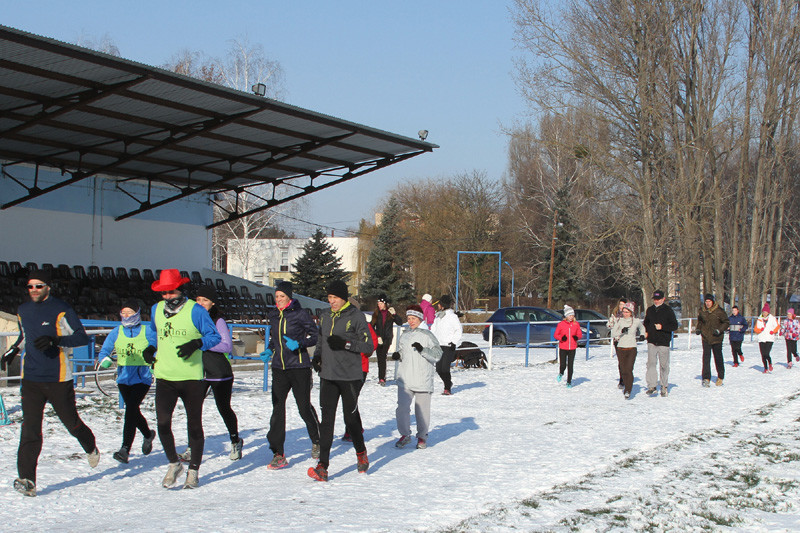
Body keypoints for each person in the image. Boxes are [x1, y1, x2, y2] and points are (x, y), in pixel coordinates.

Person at [2, 269, 99, 497]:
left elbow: (81, 336)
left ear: (48, 287)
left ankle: (90, 445)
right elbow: (24, 336)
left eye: (38, 285)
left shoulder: (61, 309)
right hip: (32, 379)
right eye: (30, 286)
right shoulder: (23, 310)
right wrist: (12, 350)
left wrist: (56, 340)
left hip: (58, 378)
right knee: (30, 429)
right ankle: (27, 480)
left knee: (71, 423)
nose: (34, 290)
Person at [144, 269, 221, 489]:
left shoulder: (195, 311)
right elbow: (152, 331)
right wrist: (150, 347)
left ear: (180, 289)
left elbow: (213, 336)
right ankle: (173, 463)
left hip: (191, 377)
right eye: (163, 293)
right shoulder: (156, 309)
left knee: (194, 425)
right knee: (162, 423)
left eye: (171, 292)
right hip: (165, 375)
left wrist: (197, 343)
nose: (167, 296)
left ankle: (193, 470)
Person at [307, 280, 374, 482]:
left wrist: (346, 344)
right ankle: (323, 466)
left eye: (334, 298)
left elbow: (368, 346)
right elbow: (320, 339)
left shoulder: (356, 316)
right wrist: (317, 357)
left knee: (350, 419)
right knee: (326, 422)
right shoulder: (325, 316)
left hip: (349, 377)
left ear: (343, 298)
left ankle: (361, 451)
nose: (331, 301)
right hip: (328, 376)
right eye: (329, 298)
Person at [264, 281, 320, 470]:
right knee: (277, 409)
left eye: (282, 297)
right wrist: (269, 350)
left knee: (303, 407)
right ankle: (278, 453)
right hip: (279, 368)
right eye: (277, 296)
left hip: (299, 367)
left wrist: (300, 344)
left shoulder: (300, 314)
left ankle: (317, 439)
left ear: (289, 297)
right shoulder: (273, 315)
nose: (278, 300)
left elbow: (315, 335)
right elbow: (275, 338)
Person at [96, 299, 156, 464]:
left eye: (130, 312)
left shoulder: (147, 331)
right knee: (133, 411)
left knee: (130, 410)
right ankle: (148, 434)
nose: (126, 315)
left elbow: (157, 347)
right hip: (123, 378)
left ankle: (124, 449)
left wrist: (154, 361)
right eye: (124, 312)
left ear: (137, 313)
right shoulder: (116, 331)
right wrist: (105, 359)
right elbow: (104, 351)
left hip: (142, 377)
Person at [194, 286, 243, 461]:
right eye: (198, 300)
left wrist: (201, 344)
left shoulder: (218, 320)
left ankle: (235, 440)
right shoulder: (192, 318)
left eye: (205, 300)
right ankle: (193, 446)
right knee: (193, 410)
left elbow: (226, 346)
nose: (201, 303)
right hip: (197, 372)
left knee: (223, 408)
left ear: (212, 303)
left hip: (218, 372)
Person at [391, 304, 443, 449]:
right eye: (409, 318)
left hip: (422, 379)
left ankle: (422, 437)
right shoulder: (405, 335)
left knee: (422, 412)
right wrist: (398, 355)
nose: (411, 321)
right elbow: (403, 351)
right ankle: (405, 434)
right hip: (405, 379)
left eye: (413, 318)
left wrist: (423, 349)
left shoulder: (428, 335)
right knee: (401, 409)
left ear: (420, 319)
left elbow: (438, 355)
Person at [643, 290, 679, 397]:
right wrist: (646, 331)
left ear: (663, 299)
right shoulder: (650, 310)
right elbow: (646, 322)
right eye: (655, 299)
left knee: (664, 365)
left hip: (663, 342)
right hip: (652, 341)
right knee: (651, 364)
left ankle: (664, 386)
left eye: (658, 299)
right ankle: (652, 386)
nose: (656, 301)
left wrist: (662, 327)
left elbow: (674, 325)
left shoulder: (668, 310)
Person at [609, 302, 645, 399]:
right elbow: (612, 333)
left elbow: (642, 328)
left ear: (631, 312)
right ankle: (626, 385)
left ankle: (628, 390)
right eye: (624, 312)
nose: (625, 314)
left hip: (632, 348)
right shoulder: (619, 321)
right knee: (623, 370)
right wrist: (620, 332)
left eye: (627, 312)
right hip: (621, 348)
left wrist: (642, 335)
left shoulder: (636, 321)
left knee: (629, 369)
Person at [431, 294, 462, 395]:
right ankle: (448, 383)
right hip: (438, 345)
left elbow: (458, 330)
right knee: (439, 369)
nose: (438, 305)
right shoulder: (438, 317)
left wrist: (453, 342)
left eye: (439, 304)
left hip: (448, 346)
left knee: (445, 368)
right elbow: (433, 329)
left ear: (443, 305)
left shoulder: (452, 317)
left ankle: (447, 387)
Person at [696, 294, 730, 387]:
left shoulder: (719, 311)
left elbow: (726, 322)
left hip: (716, 338)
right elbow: (700, 321)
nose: (707, 303)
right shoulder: (702, 311)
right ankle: (706, 378)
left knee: (718, 357)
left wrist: (719, 330)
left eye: (709, 302)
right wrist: (698, 328)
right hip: (706, 337)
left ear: (713, 302)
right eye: (706, 301)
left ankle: (720, 377)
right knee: (706, 358)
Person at [370, 295, 402, 386]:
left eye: (381, 303)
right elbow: (371, 326)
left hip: (387, 338)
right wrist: (377, 336)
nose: (379, 305)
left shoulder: (390, 313)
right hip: (379, 339)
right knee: (380, 358)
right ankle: (381, 377)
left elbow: (400, 322)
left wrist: (395, 315)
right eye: (378, 303)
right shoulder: (376, 314)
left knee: (383, 357)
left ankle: (382, 378)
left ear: (385, 304)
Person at [553, 305, 583, 388]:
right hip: (563, 347)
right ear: (566, 316)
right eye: (570, 315)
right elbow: (556, 335)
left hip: (572, 348)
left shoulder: (576, 324)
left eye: (573, 315)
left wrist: (577, 337)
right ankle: (561, 373)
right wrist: (561, 338)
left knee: (570, 365)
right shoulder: (561, 324)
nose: (571, 317)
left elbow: (579, 334)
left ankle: (569, 381)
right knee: (563, 364)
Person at [606, 297, 628, 389]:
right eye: (620, 304)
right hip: (617, 340)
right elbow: (608, 324)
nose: (622, 306)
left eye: (624, 305)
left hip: (627, 340)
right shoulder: (615, 315)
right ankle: (621, 379)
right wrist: (614, 326)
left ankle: (627, 377)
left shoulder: (628, 315)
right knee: (621, 360)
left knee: (627, 360)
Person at [754, 303, 780, 373]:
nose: (764, 313)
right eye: (763, 312)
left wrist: (773, 331)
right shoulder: (759, 319)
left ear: (768, 312)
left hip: (769, 338)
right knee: (763, 354)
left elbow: (777, 326)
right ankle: (765, 368)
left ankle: (770, 363)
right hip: (761, 338)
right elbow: (755, 329)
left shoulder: (772, 318)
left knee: (766, 353)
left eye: (766, 312)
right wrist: (760, 330)